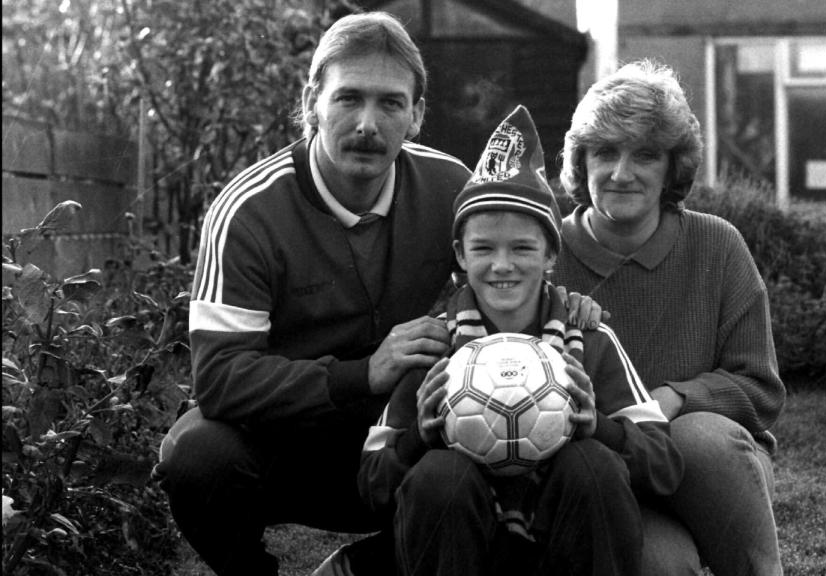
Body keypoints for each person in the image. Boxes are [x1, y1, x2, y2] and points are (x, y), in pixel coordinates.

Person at [153, 13, 601, 576]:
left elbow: (505, 278)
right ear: (312, 100)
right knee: (196, 455)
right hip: (290, 443)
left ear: (415, 115)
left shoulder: (448, 189)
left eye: (390, 104)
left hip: (415, 436)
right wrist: (362, 373)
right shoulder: (247, 211)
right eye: (348, 99)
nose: (367, 123)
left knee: (510, 425)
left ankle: (378, 563)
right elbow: (219, 380)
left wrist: (565, 306)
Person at [357, 106, 684, 576]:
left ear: (551, 252)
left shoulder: (589, 341)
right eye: (483, 248)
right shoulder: (433, 347)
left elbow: (665, 468)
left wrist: (603, 430)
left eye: (523, 248)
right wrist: (417, 441)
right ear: (459, 255)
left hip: (561, 546)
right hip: (464, 549)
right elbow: (371, 484)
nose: (502, 265)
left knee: (591, 464)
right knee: (439, 476)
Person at [550, 59, 787, 576]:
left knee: (697, 435)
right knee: (661, 563)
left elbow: (761, 392)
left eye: (646, 155)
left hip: (709, 467)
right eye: (606, 152)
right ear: (581, 160)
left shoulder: (717, 245)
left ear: (672, 166)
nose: (622, 173)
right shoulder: (541, 252)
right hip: (603, 470)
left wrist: (676, 398)